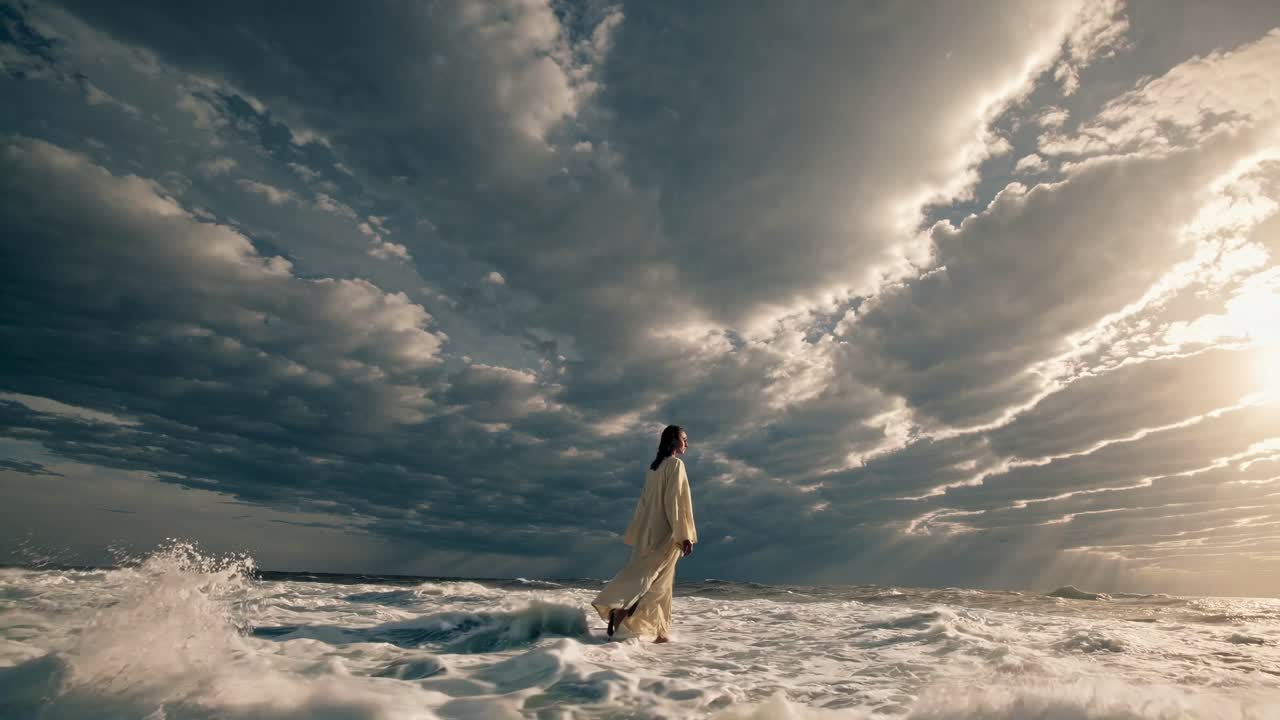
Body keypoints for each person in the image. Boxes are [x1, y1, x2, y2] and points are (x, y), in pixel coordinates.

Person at [591, 425, 697, 643]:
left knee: (646, 577)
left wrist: (639, 532)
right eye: (684, 439)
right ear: (673, 441)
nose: (687, 443)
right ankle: (630, 616)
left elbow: (644, 504)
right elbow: (674, 501)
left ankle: (654, 630)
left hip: (648, 532)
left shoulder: (654, 468)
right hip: (666, 532)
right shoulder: (675, 464)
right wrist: (683, 534)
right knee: (659, 584)